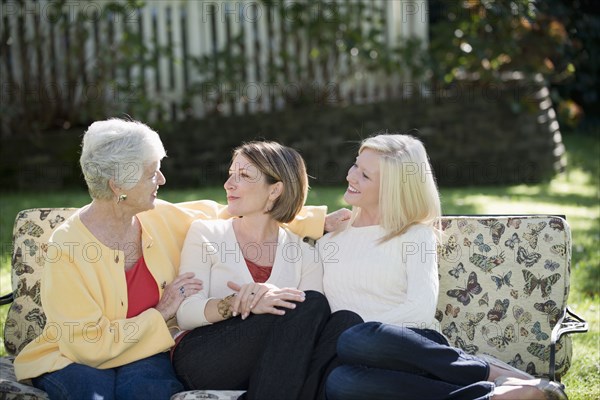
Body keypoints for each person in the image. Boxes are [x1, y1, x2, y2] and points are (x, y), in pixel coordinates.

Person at [13, 119, 326, 399]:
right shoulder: (67, 245)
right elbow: (87, 347)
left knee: (150, 392)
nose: (161, 180)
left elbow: (245, 210)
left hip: (146, 353)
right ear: (118, 185)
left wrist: (312, 221)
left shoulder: (157, 216)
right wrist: (161, 312)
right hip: (74, 358)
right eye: (152, 172)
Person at [319, 133, 568, 400]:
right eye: (356, 165)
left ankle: (484, 372)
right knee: (340, 384)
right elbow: (276, 226)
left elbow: (420, 310)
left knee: (354, 338)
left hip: (411, 349)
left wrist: (362, 334)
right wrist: (311, 224)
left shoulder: (415, 235)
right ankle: (494, 395)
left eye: (365, 175)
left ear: (393, 188)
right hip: (357, 363)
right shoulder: (329, 235)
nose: (350, 176)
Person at [171, 141, 361, 400]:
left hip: (272, 364)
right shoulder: (207, 233)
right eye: (230, 175)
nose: (229, 184)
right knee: (311, 303)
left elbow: (308, 328)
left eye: (244, 176)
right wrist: (237, 303)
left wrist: (270, 300)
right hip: (205, 356)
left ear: (275, 190)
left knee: (345, 321)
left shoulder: (303, 252)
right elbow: (185, 314)